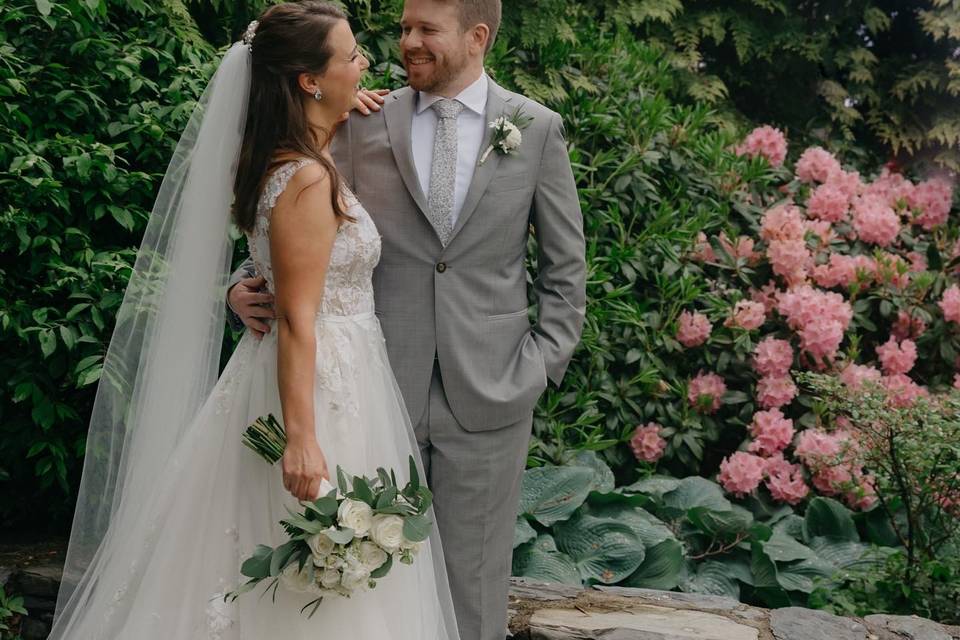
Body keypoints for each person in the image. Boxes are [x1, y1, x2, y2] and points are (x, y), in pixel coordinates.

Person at [49, 3, 460, 638]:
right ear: (308, 80)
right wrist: (302, 437)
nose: (366, 63)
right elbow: (298, 320)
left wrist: (341, 101)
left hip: (336, 376)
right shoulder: (304, 180)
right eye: (351, 56)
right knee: (308, 565)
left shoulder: (286, 158)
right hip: (317, 388)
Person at [228, 1, 586, 638]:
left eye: (426, 30)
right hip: (371, 395)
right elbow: (285, 214)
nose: (407, 42)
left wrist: (538, 368)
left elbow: (565, 271)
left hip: (492, 392)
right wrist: (241, 288)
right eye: (402, 29)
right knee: (365, 587)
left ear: (476, 37)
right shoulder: (357, 119)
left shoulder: (534, 129)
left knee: (474, 584)